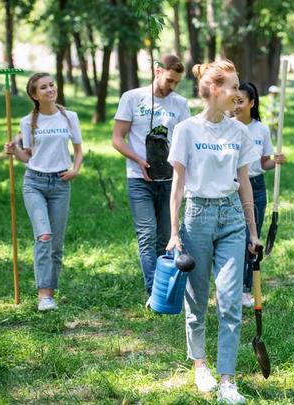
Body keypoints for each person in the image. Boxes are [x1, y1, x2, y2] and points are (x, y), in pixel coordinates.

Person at [166, 60, 261, 404]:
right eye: (233, 87)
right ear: (215, 90)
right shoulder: (187, 130)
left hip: (232, 217)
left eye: (238, 87)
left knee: (231, 300)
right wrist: (174, 232)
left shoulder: (240, 132)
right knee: (197, 297)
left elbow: (245, 184)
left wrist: (253, 231)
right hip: (197, 216)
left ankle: (227, 379)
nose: (238, 94)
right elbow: (177, 186)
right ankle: (200, 363)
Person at [111, 54, 190, 298]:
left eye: (176, 82)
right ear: (157, 71)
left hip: (169, 182)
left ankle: (164, 287)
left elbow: (187, 142)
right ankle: (153, 292)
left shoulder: (180, 104)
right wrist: (138, 160)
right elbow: (117, 138)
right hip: (139, 180)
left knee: (165, 237)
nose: (172, 87)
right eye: (169, 80)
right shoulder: (132, 98)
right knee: (146, 235)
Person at [4, 72, 83, 311]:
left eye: (51, 85)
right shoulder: (28, 122)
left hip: (60, 184)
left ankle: (51, 290)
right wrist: (13, 151)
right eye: (43, 87)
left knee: (56, 244)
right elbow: (27, 156)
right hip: (34, 183)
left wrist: (75, 170)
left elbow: (78, 150)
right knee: (44, 236)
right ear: (34, 95)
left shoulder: (69, 117)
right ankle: (44, 296)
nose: (50, 90)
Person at [232, 82, 286, 307]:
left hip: (256, 186)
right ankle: (232, 286)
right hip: (232, 186)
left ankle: (245, 289)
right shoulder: (227, 126)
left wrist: (275, 161)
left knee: (252, 238)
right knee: (237, 238)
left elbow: (264, 163)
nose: (236, 106)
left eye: (241, 101)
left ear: (252, 103)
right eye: (233, 100)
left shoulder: (261, 130)